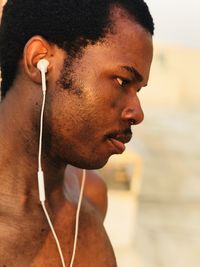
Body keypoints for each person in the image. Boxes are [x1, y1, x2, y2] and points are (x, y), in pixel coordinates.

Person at [0, 0, 154, 266]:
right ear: (40, 61)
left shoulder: (91, 195)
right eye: (122, 81)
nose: (137, 113)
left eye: (137, 90)